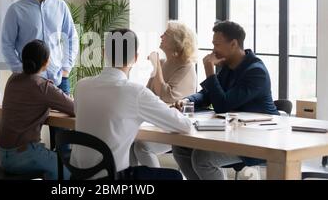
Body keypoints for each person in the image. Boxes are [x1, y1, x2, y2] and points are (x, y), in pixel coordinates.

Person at [70, 29, 192, 180]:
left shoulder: (81, 86)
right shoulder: (135, 93)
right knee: (175, 177)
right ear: (135, 58)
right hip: (113, 179)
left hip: (77, 176)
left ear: (103, 53)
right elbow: (185, 126)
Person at [172, 20, 279, 180]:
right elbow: (207, 95)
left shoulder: (256, 72)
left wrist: (209, 70)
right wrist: (187, 100)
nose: (213, 50)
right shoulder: (228, 67)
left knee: (202, 157)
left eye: (217, 44)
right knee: (181, 146)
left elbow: (222, 105)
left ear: (234, 44)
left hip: (257, 139)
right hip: (231, 133)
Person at [0, 40, 75, 180]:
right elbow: (74, 108)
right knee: (69, 169)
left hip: (3, 155)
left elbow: (28, 102)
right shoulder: (42, 87)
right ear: (45, 62)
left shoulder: (12, 79)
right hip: (24, 156)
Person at [1, 0, 78, 95]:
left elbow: (72, 38)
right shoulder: (16, 10)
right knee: (31, 117)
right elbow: (6, 44)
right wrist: (21, 70)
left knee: (65, 116)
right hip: (29, 81)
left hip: (59, 81)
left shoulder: (60, 6)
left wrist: (66, 68)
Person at [131, 22, 197, 168]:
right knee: (129, 142)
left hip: (176, 128)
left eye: (165, 34)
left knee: (142, 146)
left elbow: (166, 96)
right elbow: (148, 93)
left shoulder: (186, 67)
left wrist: (157, 67)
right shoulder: (162, 63)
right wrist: (158, 66)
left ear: (177, 41)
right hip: (156, 123)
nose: (161, 36)